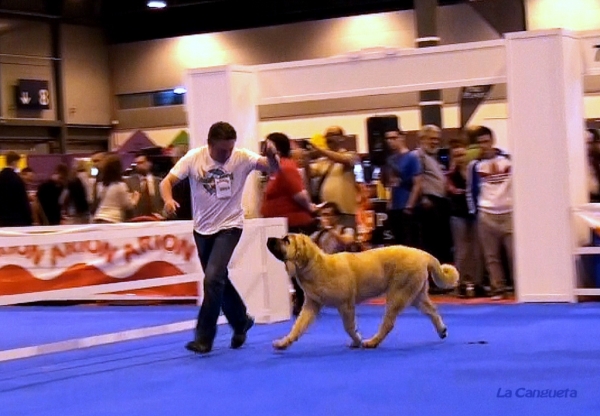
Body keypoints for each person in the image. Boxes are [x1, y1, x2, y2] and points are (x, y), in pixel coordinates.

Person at [160, 121, 280, 354]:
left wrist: (273, 157)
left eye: (230, 149)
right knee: (218, 280)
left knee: (212, 279)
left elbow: (272, 168)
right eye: (222, 150)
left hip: (230, 226)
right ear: (209, 144)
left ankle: (204, 338)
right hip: (202, 229)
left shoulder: (242, 157)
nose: (227, 155)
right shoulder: (194, 158)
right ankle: (241, 321)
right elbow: (166, 182)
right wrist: (167, 199)